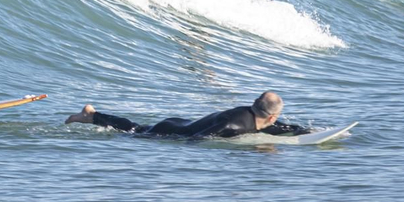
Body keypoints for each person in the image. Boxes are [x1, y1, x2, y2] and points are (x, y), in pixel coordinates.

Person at [64, 91, 308, 139]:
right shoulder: (235, 125)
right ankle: (91, 115)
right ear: (271, 116)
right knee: (134, 132)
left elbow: (274, 127)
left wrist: (301, 130)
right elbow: (198, 138)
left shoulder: (251, 114)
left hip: (181, 121)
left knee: (137, 127)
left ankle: (93, 115)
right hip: (171, 130)